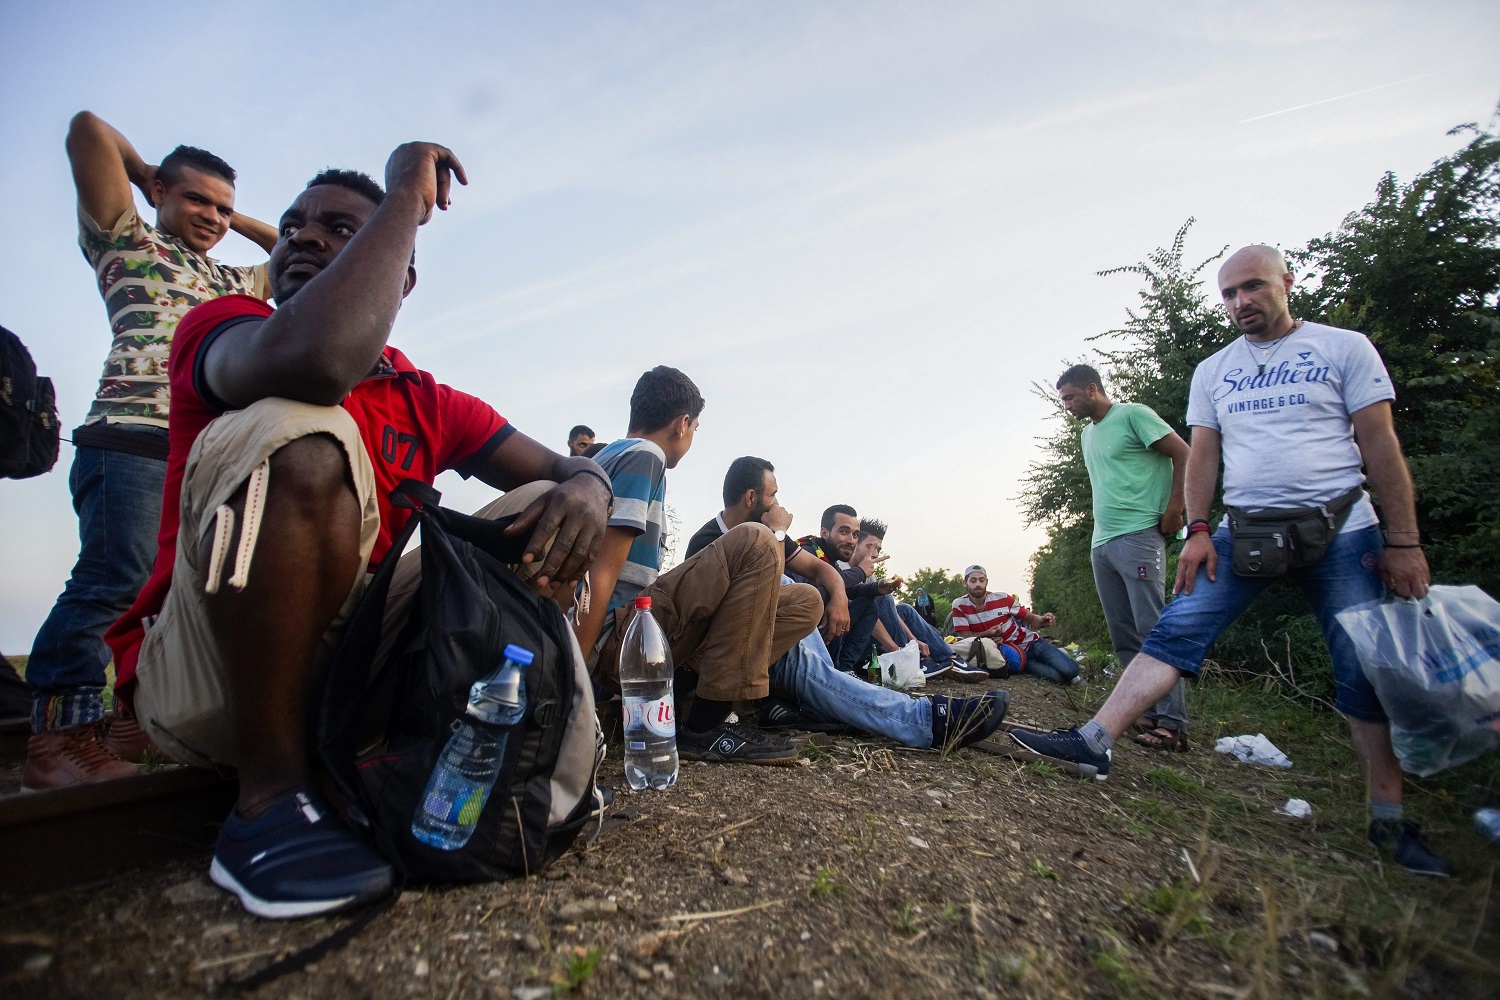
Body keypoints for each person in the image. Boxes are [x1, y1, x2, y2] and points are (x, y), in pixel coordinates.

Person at [104, 145, 614, 918]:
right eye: (292, 228)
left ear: (400, 275)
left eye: (340, 228)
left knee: (541, 499)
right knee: (301, 425)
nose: (303, 239)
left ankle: (488, 747)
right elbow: (316, 361)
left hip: (347, 678)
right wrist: (407, 195)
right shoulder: (229, 327)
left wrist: (591, 485)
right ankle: (267, 806)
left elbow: (565, 467)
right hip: (207, 677)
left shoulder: (425, 396)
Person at [1013, 245, 1448, 877]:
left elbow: (1380, 442)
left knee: (1361, 667)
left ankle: (1389, 820)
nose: (1241, 302)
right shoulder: (1215, 371)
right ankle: (1092, 742)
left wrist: (1404, 540)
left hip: (1345, 530)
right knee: (1174, 630)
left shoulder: (1342, 347)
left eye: (1253, 287)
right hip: (1242, 530)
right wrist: (1196, 529)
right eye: (1229, 294)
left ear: (1285, 283)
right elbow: (1205, 456)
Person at [23, 113, 279, 790]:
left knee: (176, 596)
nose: (213, 216)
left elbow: (301, 253)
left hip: (206, 454)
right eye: (198, 200)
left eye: (222, 206)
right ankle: (58, 740)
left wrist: (230, 217)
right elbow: (84, 129)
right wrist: (143, 176)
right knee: (116, 580)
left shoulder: (232, 279)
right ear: (160, 192)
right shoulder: (127, 241)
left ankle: (131, 725)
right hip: (131, 439)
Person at [574, 373, 823, 766]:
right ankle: (706, 727)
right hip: (617, 638)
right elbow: (598, 577)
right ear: (682, 424)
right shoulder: (645, 455)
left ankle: (690, 704)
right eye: (695, 428)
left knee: (805, 601)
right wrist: (573, 680)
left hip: (637, 636)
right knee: (757, 541)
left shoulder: (606, 458)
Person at [684, 457, 1006, 750]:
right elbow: (747, 598)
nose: (779, 505)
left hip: (770, 642)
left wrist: (839, 594)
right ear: (751, 498)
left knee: (827, 611)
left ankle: (829, 696)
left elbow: (820, 570)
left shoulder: (769, 536)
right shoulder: (708, 542)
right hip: (737, 652)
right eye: (773, 496)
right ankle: (923, 720)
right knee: (790, 602)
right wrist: (778, 532)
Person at [1057, 364, 1192, 751]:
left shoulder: (1133, 414)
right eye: (1062, 399)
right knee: (1123, 634)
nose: (1066, 405)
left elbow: (1183, 453)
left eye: (1069, 397)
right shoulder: (1087, 435)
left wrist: (1175, 509)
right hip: (1103, 541)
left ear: (1092, 389)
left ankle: (1173, 724)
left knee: (1154, 629)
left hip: (1139, 534)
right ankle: (1143, 712)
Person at [846, 519, 983, 681]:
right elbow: (867, 614)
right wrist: (897, 650)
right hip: (850, 639)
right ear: (856, 543)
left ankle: (950, 658)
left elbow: (888, 614)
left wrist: (914, 639)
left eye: (878, 549)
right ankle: (908, 661)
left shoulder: (868, 572)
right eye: (870, 546)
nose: (875, 554)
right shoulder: (844, 569)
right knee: (882, 597)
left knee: (904, 609)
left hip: (868, 633)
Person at [791, 506, 903, 674]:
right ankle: (828, 672)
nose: (851, 540)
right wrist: (860, 571)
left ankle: (844, 670)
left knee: (869, 605)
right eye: (844, 532)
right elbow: (818, 589)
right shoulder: (807, 553)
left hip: (821, 635)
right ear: (824, 533)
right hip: (801, 640)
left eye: (855, 535)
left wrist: (878, 587)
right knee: (832, 597)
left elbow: (846, 587)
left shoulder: (831, 560)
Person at [950, 567, 1081, 685]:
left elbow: (1032, 620)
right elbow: (966, 637)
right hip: (1015, 655)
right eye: (973, 580)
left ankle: (1059, 658)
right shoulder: (959, 605)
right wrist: (988, 634)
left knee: (1071, 670)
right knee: (1058, 678)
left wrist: (1045, 619)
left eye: (981, 580)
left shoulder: (1003, 599)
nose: (978, 584)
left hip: (1031, 643)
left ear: (986, 582)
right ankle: (1056, 661)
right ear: (965, 583)